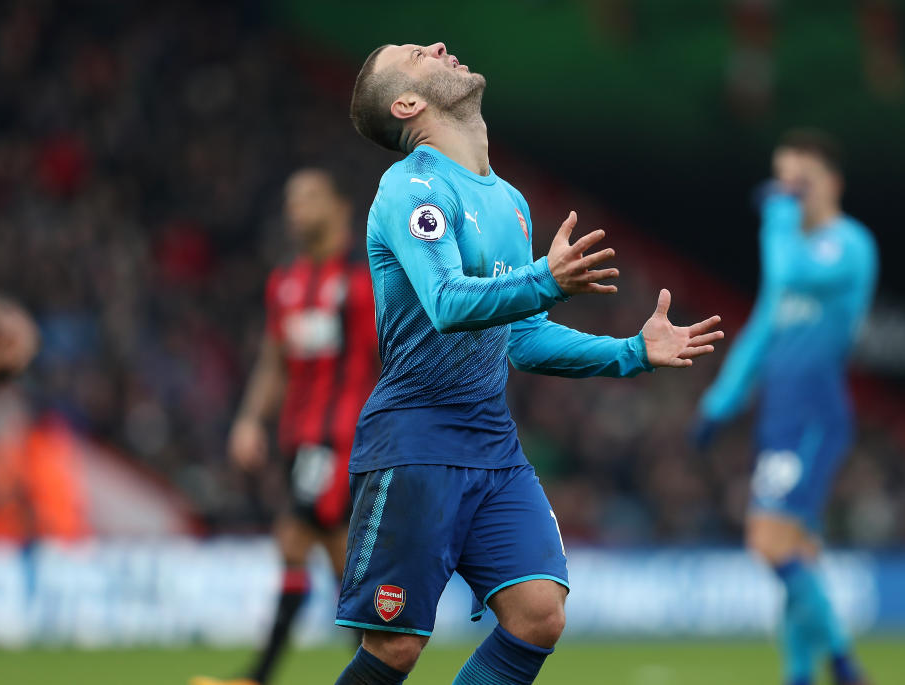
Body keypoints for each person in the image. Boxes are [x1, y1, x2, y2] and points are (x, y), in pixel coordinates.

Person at [332, 42, 723, 685]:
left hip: (492, 443)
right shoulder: (409, 189)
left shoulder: (509, 201)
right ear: (408, 103)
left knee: (539, 614)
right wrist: (545, 279)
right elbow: (448, 302)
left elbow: (521, 338)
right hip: (416, 442)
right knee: (396, 648)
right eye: (414, 53)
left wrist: (631, 352)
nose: (436, 46)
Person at [692, 130, 878, 685]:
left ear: (832, 183)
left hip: (815, 416)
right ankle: (800, 673)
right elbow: (760, 333)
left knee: (768, 542)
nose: (789, 192)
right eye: (782, 181)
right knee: (798, 553)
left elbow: (788, 274)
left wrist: (775, 215)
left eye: (801, 181)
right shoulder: (793, 247)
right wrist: (720, 402)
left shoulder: (848, 245)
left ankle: (845, 665)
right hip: (779, 414)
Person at [192, 169, 379, 685]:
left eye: (311, 198)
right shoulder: (286, 283)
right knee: (336, 554)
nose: (297, 209)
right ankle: (374, 673)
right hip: (299, 438)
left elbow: (387, 359)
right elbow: (274, 362)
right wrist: (250, 419)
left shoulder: (363, 284)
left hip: (342, 438)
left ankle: (259, 676)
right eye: (291, 199)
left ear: (341, 208)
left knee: (297, 538)